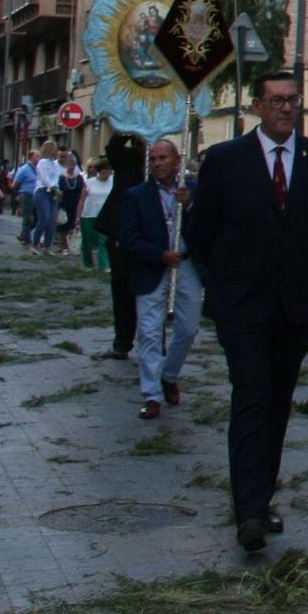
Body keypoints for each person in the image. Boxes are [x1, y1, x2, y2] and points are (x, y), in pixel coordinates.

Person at [186, 71, 308, 552]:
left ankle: (262, 495)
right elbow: (200, 232)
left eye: (292, 100)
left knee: (277, 401)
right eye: (275, 101)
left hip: (296, 308)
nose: (285, 108)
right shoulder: (226, 160)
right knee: (251, 397)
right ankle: (248, 510)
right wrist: (226, 283)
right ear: (257, 106)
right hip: (242, 306)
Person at [120, 139, 204, 421]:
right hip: (152, 269)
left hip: (187, 266)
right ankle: (152, 394)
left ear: (176, 161)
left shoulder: (192, 191)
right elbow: (129, 237)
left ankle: (169, 374)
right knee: (149, 332)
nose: (157, 164)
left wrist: (190, 206)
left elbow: (210, 225)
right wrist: (159, 254)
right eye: (153, 159)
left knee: (189, 328)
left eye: (163, 158)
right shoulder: (137, 196)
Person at [96, 134, 148, 360]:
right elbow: (113, 146)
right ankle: (122, 342)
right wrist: (129, 129)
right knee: (121, 288)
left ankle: (153, 346)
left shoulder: (157, 163)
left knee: (150, 294)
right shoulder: (126, 160)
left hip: (148, 236)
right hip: (121, 233)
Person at [78, 158, 115, 271]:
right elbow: (82, 199)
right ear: (99, 171)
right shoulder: (89, 182)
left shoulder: (113, 182)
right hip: (89, 214)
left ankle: (104, 265)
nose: (106, 175)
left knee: (104, 240)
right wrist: (78, 215)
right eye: (104, 172)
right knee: (88, 240)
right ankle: (87, 263)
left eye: (108, 172)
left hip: (105, 215)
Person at [29, 141, 61, 255]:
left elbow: (56, 177)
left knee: (52, 221)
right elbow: (45, 178)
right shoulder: (42, 162)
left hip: (53, 193)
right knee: (44, 219)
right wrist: (53, 188)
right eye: (55, 149)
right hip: (42, 192)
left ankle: (48, 246)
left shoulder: (55, 164)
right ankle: (34, 244)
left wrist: (56, 189)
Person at [55, 151, 85, 257]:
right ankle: (64, 245)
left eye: (73, 165)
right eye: (69, 164)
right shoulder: (62, 177)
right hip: (65, 203)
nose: (71, 167)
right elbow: (59, 191)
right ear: (66, 165)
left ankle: (73, 244)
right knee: (64, 224)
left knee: (74, 224)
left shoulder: (79, 177)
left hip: (76, 203)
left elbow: (83, 189)